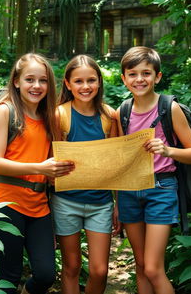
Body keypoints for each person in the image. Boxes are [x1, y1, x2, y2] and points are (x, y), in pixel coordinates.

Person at [115, 46, 191, 294]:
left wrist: (167, 151)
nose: (139, 79)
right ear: (123, 78)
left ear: (158, 76)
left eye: (146, 73)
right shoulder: (122, 111)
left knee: (153, 268)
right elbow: (121, 161)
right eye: (132, 74)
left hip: (162, 189)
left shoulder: (168, 107)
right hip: (130, 190)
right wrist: (117, 202)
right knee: (141, 265)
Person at [0, 53, 74, 294]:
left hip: (39, 206)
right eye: (30, 79)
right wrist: (40, 167)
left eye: (43, 80)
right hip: (6, 202)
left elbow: (50, 166)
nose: (37, 86)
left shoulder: (49, 116)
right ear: (17, 81)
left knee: (46, 274)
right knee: (9, 276)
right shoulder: (5, 110)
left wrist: (57, 172)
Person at [50, 54, 118, 294]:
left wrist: (116, 203)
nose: (85, 86)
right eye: (78, 81)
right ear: (68, 84)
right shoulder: (60, 115)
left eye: (91, 80)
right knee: (71, 266)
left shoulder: (110, 116)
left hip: (100, 203)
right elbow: (53, 163)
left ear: (99, 82)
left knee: (99, 271)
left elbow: (114, 163)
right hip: (66, 201)